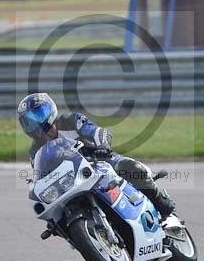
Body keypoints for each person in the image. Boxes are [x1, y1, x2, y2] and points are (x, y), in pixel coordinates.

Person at [17, 92, 176, 218]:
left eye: (40, 114)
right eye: (30, 121)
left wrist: (102, 147)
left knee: (130, 167)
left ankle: (160, 202)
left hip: (101, 162)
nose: (38, 123)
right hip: (73, 182)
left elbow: (99, 132)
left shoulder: (72, 121)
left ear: (50, 109)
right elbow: (41, 173)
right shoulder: (35, 151)